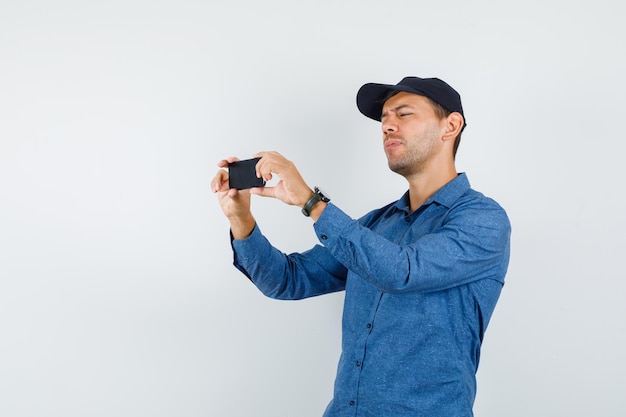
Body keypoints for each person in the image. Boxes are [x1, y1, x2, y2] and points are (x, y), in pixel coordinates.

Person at [211, 76, 511, 417]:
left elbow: (402, 271)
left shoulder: (484, 220)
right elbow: (287, 280)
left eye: (404, 114)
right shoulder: (376, 225)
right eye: (384, 119)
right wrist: (240, 219)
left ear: (450, 126)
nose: (387, 126)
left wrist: (312, 201)